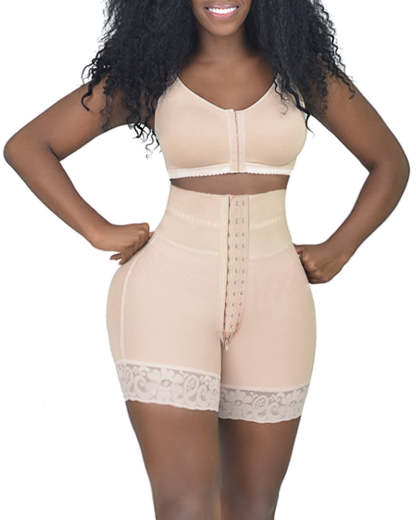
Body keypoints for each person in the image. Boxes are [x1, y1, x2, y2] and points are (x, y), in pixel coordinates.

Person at [3, 1, 410, 519]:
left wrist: (341, 246)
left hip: (276, 303)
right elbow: (29, 145)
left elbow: (389, 162)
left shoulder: (301, 71)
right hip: (166, 297)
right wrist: (96, 229)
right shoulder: (149, 74)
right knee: (185, 507)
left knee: (252, 508)